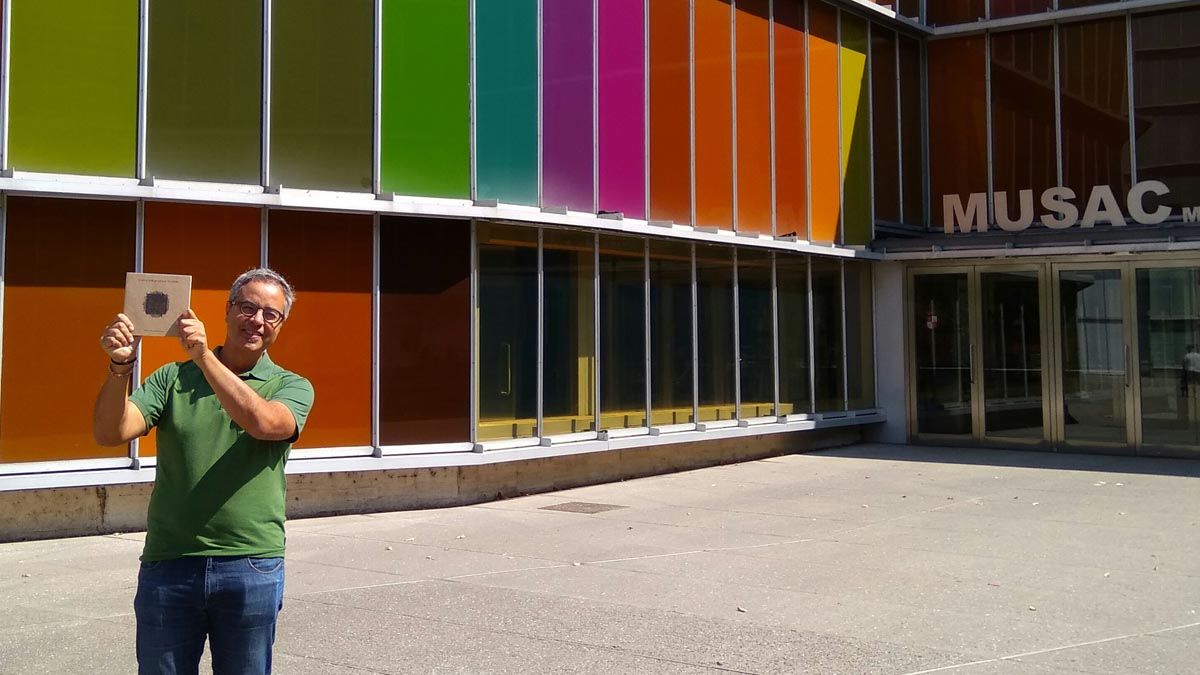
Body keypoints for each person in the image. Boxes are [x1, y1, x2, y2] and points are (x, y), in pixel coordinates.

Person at [93, 268, 314, 675]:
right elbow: (110, 432)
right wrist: (119, 368)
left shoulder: (292, 385)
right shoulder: (173, 378)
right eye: (248, 308)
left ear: (281, 325)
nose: (258, 321)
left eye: (271, 314)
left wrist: (204, 357)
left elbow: (264, 424)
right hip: (170, 564)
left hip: (250, 563)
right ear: (228, 311)